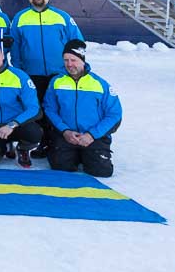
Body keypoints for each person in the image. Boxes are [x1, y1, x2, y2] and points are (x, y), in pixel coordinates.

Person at [11, 0, 83, 156]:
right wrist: (19, 71)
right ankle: (42, 143)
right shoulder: (20, 18)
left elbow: (77, 44)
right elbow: (16, 47)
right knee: (38, 111)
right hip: (32, 74)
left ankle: (60, 143)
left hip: (59, 74)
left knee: (60, 108)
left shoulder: (62, 17)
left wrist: (74, 69)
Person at [44, 40, 122, 177]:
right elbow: (50, 109)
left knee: (101, 171)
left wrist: (92, 135)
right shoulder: (56, 81)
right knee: (61, 167)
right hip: (67, 135)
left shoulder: (99, 84)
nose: (69, 64)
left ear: (82, 60)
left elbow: (114, 114)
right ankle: (74, 153)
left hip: (93, 136)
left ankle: (87, 154)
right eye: (66, 60)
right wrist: (65, 131)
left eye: (73, 60)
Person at [0, 41, 42, 168]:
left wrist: (12, 125)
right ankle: (4, 147)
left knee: (35, 133)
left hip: (16, 125)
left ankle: (23, 148)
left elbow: (33, 108)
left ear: (3, 56)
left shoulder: (20, 76)